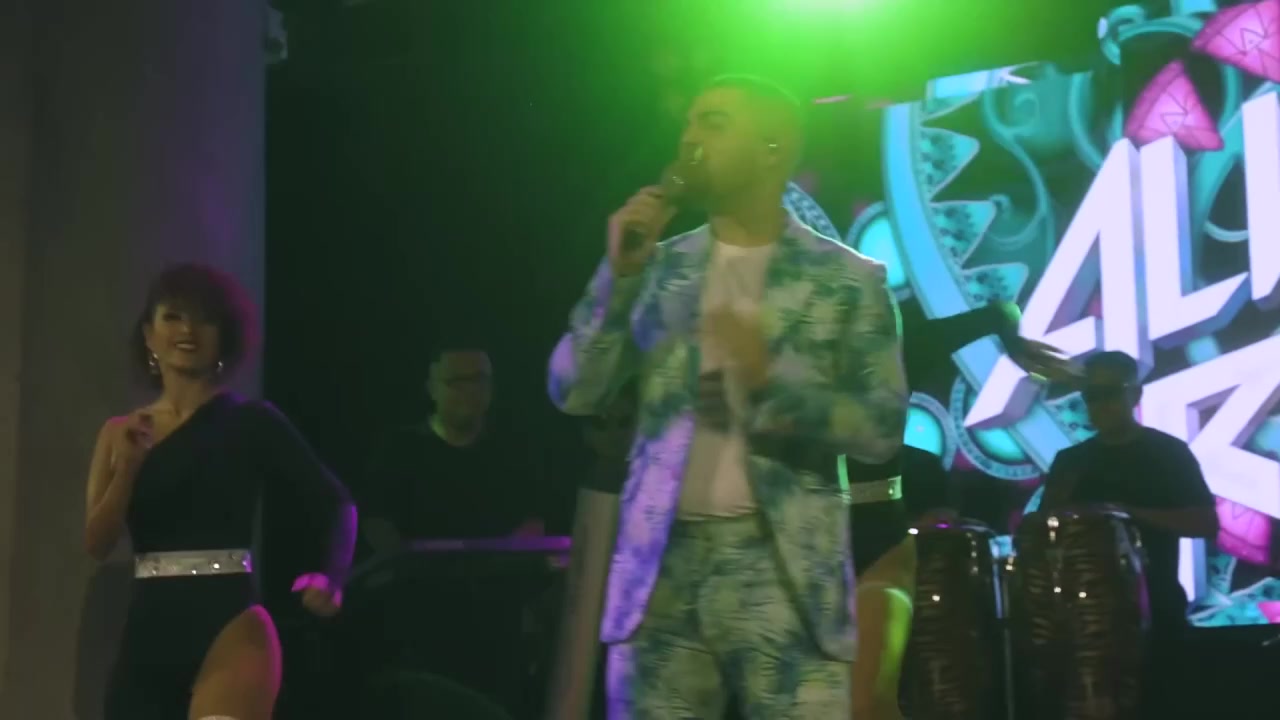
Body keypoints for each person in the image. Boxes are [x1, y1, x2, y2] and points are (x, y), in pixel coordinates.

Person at [548, 74, 909, 717]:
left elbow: (882, 428)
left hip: (785, 577)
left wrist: (772, 387)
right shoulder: (657, 269)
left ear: (773, 147)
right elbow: (573, 389)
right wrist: (617, 280)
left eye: (712, 124)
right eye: (688, 123)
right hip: (660, 578)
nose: (690, 139)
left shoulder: (848, 280)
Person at [84, 263, 355, 720]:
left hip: (231, 626)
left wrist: (332, 575)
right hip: (148, 631)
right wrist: (127, 468)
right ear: (149, 334)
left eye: (205, 318)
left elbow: (336, 503)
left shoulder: (253, 422)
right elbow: (97, 543)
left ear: (224, 336)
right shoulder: (119, 433)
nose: (187, 330)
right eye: (173, 316)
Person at [844, 301, 1072, 720]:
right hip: (812, 538)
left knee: (871, 696)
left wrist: (1014, 345)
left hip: (877, 535)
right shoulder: (789, 360)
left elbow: (999, 311)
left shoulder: (897, 351)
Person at [1038, 350, 1218, 719]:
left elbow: (1205, 523)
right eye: (1091, 395)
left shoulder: (1167, 452)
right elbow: (1044, 532)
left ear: (1134, 395)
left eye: (1109, 393)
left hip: (1156, 611)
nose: (1099, 405)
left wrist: (1127, 513)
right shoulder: (1071, 462)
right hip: (1085, 623)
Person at [360, 343, 543, 549]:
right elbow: (376, 522)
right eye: (458, 382)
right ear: (432, 389)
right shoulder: (399, 448)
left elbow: (533, 521)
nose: (471, 390)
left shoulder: (514, 450)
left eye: (480, 380)